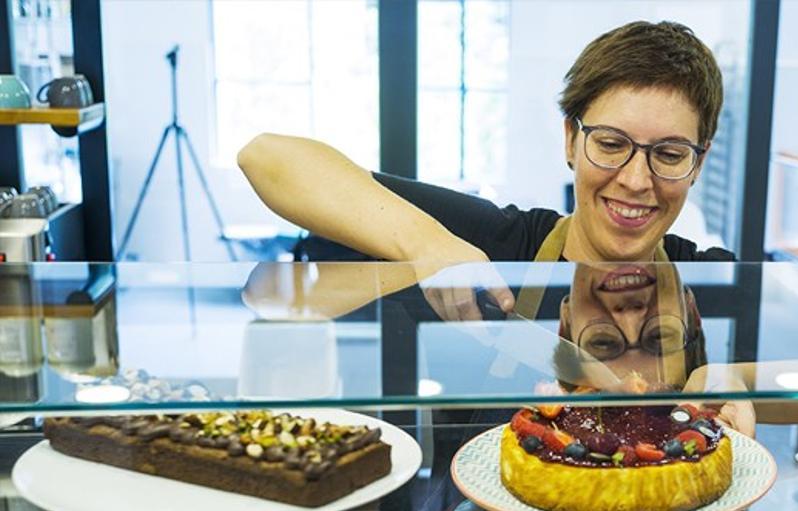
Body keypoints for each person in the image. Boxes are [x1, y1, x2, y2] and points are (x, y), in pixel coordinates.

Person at [237, 20, 734, 321]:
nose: (635, 179)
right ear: (570, 139)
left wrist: (735, 379)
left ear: (698, 163)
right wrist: (428, 245)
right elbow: (267, 157)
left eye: (668, 154)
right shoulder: (501, 249)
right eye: (610, 144)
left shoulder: (712, 282)